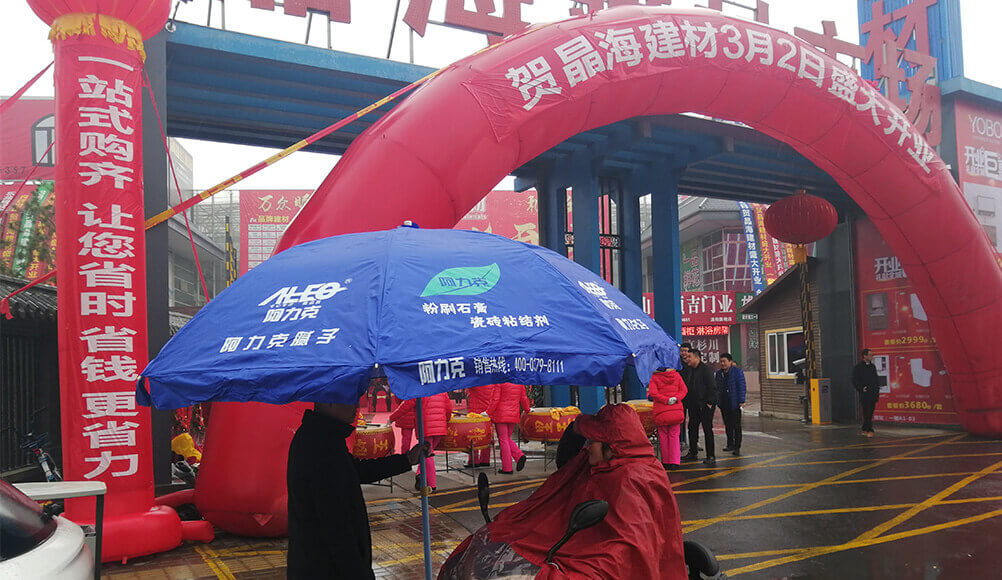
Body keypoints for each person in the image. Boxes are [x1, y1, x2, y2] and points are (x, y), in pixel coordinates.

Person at [475, 404, 687, 579]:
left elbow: (628, 551)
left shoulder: (632, 477)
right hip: (561, 544)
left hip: (590, 561)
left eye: (593, 441)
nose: (588, 446)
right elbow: (562, 468)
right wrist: (576, 429)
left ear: (612, 446)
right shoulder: (596, 463)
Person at [287, 402, 428, 579]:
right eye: (350, 400)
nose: (356, 407)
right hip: (327, 568)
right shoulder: (320, 445)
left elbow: (355, 470)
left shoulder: (323, 436)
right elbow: (336, 525)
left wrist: (407, 460)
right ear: (330, 402)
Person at [389, 392, 453, 490]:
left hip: (426, 427)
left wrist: (392, 418)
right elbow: (449, 409)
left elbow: (405, 406)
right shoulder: (442, 391)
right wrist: (445, 420)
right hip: (440, 427)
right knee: (427, 453)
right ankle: (420, 474)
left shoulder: (419, 391)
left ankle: (431, 484)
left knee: (428, 455)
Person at [681, 348, 717, 465]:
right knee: (692, 428)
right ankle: (693, 452)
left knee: (707, 430)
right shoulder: (690, 370)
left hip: (705, 405)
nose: (687, 359)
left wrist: (709, 403)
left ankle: (710, 455)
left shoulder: (706, 370)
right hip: (693, 405)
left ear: (697, 357)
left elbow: (712, 387)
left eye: (689, 357)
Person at [647, 368, 687, 470]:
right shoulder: (676, 375)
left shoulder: (655, 377)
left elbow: (653, 393)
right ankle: (675, 462)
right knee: (674, 436)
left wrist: (666, 400)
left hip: (661, 411)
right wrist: (676, 398)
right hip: (676, 410)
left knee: (663, 436)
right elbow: (684, 390)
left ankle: (666, 461)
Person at [487, 382, 531, 474]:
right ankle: (519, 456)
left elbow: (495, 399)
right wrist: (527, 410)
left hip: (501, 414)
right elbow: (523, 398)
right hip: (513, 414)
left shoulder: (500, 382)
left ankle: (507, 467)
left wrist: (488, 413)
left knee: (503, 440)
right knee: (507, 438)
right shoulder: (519, 383)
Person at [715, 353, 747, 456]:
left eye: (724, 361)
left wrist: (741, 400)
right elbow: (716, 388)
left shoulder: (737, 372)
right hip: (724, 403)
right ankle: (730, 444)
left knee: (736, 426)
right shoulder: (719, 374)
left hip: (735, 402)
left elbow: (742, 386)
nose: (722, 363)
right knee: (728, 425)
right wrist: (717, 400)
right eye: (721, 361)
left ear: (730, 362)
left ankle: (737, 447)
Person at [464, 384, 497, 468]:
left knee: (474, 436)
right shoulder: (492, 381)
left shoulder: (475, 381)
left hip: (475, 413)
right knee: (487, 435)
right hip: (488, 412)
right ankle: (485, 460)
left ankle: (474, 460)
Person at [853, 348, 881, 437]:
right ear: (865, 356)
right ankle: (869, 429)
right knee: (867, 412)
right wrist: (861, 388)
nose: (872, 357)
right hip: (865, 393)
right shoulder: (858, 367)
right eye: (870, 355)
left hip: (873, 392)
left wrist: (877, 389)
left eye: (872, 355)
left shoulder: (872, 366)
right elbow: (855, 380)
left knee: (870, 411)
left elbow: (875, 379)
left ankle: (864, 428)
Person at [678, 343, 693, 447]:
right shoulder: (677, 364)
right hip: (681, 396)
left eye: (686, 351)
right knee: (681, 419)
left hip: (692, 396)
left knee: (694, 420)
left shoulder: (693, 363)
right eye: (682, 351)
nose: (684, 353)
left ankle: (694, 442)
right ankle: (682, 440)